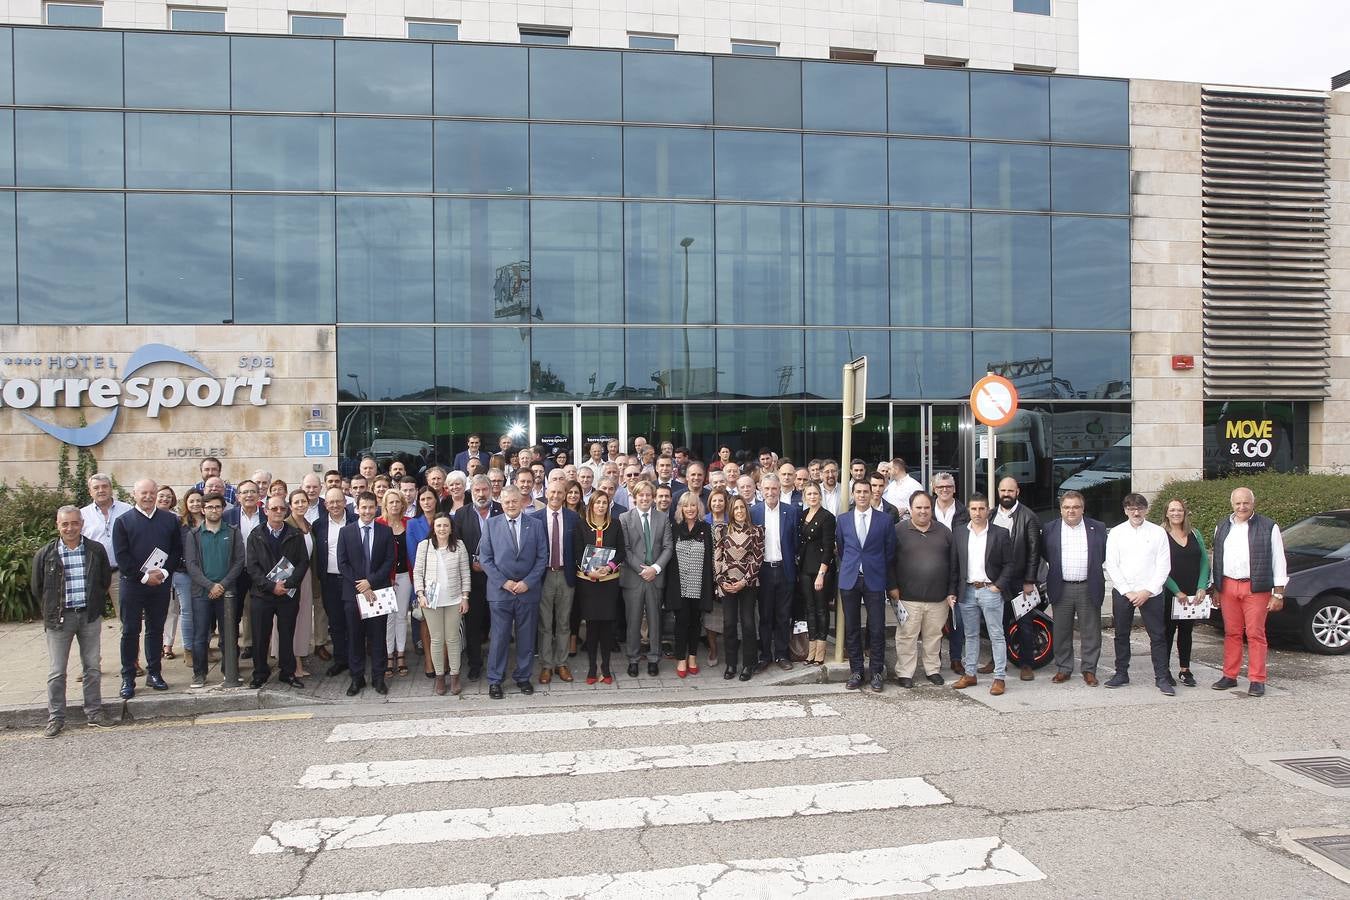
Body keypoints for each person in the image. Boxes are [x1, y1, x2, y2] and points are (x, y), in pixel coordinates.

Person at [32, 505, 114, 736]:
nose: (70, 528)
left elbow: (104, 581)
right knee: (57, 670)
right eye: (65, 524)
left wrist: (95, 606)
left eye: (74, 523)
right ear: (57, 525)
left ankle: (94, 713)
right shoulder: (46, 554)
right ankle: (56, 717)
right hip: (59, 619)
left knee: (92, 668)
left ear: (82, 524)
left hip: (88, 616)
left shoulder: (95, 550)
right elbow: (38, 588)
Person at [1211, 487, 1287, 697]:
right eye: (1238, 503)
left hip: (1256, 587)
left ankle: (1257, 679)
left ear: (1253, 503)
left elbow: (1278, 560)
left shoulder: (1268, 526)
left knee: (1255, 634)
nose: (1242, 507)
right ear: (1232, 504)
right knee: (1232, 633)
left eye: (1246, 503)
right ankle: (1230, 675)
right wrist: (1215, 587)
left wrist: (1278, 593)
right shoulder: (1222, 526)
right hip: (1227, 586)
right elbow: (1217, 558)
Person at [112, 479, 184, 699]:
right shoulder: (123, 522)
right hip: (132, 585)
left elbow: (176, 550)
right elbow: (122, 556)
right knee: (130, 631)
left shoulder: (171, 520)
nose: (148, 496)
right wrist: (143, 577)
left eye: (152, 492)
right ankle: (128, 677)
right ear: (134, 494)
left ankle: (154, 673)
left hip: (160, 584)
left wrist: (163, 573)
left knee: (155, 630)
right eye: (143, 493)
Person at [478, 485, 549, 699]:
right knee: (499, 638)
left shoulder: (535, 525)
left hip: (528, 591)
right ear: (501, 502)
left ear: (522, 502)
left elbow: (542, 557)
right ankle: (495, 680)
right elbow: (485, 559)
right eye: (507, 502)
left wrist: (528, 582)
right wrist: (504, 582)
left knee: (526, 637)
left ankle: (523, 676)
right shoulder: (491, 525)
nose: (511, 505)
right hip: (501, 592)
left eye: (515, 501)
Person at [1103, 493, 1173, 695]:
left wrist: (1147, 591)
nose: (1136, 512)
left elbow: (1163, 565)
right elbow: (1112, 565)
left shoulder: (1158, 532)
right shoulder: (1115, 533)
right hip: (1124, 592)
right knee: (1121, 634)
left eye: (1140, 508)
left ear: (1146, 510)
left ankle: (1162, 677)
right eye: (1132, 508)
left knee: (1158, 636)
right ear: (1125, 510)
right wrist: (1128, 591)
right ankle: (1121, 673)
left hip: (1151, 593)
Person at [835, 480, 897, 693]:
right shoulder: (843, 520)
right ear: (853, 494)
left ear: (872, 494)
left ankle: (877, 671)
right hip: (850, 578)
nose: (862, 495)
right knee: (852, 627)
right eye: (858, 492)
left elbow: (890, 552)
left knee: (877, 627)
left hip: (875, 578)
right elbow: (842, 549)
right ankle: (857, 671)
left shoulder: (885, 520)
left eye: (866, 492)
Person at [891, 491, 957, 688]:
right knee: (906, 637)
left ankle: (932, 670)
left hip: (938, 598)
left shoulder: (944, 532)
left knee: (933, 637)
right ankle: (905, 673)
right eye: (918, 508)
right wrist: (892, 586)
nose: (922, 511)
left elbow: (954, 564)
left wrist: (951, 590)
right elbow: (888, 562)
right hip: (908, 598)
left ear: (932, 508)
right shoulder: (897, 531)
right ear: (910, 509)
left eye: (926, 507)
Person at [951, 495, 1016, 696]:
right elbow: (954, 565)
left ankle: (999, 677)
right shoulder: (960, 533)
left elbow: (1009, 564)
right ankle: (970, 673)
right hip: (967, 591)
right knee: (970, 635)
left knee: (996, 634)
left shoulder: (1000, 533)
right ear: (968, 511)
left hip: (990, 590)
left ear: (988, 510)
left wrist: (998, 585)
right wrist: (952, 592)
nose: (977, 513)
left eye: (981, 509)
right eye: (974, 509)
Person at [1041, 490, 1107, 686]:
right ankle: (1064, 668)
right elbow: (1046, 555)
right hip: (1062, 587)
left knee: (1091, 631)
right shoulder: (1050, 529)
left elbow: (1102, 554)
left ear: (1083, 509)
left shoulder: (1099, 528)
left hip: (1089, 586)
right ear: (1061, 509)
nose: (1071, 511)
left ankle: (1089, 670)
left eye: (1076, 507)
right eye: (1067, 507)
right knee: (1061, 631)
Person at [245, 495, 310, 689]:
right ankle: (260, 673)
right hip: (262, 595)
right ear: (265, 511)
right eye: (274, 509)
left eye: (282, 509)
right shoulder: (255, 535)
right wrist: (271, 586)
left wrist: (288, 584)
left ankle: (287, 672)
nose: (278, 512)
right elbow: (252, 567)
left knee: (287, 634)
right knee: (260, 635)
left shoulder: (295, 534)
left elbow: (302, 562)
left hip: (287, 594)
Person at [183, 492, 244, 688]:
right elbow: (191, 565)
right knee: (201, 635)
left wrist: (222, 585)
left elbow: (239, 561)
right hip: (202, 592)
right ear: (203, 509)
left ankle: (230, 671)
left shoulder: (233, 532)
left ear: (223, 509)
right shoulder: (194, 534)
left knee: (229, 634)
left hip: (227, 592)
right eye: (209, 507)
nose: (213, 510)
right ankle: (199, 674)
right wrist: (210, 586)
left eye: (217, 507)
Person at [336, 492, 395, 696]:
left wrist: (371, 582)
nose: (368, 511)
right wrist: (361, 585)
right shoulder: (346, 532)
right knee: (354, 637)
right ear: (356, 508)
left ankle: (379, 677)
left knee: (378, 637)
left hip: (378, 592)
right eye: (364, 507)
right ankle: (357, 678)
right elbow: (342, 563)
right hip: (352, 594)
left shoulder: (385, 532)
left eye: (371, 507)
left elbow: (389, 562)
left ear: (376, 508)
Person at [413, 512, 471, 695]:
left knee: (453, 639)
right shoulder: (424, 546)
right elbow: (417, 573)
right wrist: (420, 594)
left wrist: (465, 597)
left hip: (454, 599)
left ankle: (454, 676)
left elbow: (465, 573)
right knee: (437, 639)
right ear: (433, 528)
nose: (442, 529)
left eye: (445, 525)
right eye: (438, 526)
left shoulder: (459, 546)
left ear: (451, 528)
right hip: (431, 601)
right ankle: (439, 677)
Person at [619, 481, 673, 678]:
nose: (644, 498)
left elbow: (668, 547)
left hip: (655, 577)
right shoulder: (624, 518)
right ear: (634, 497)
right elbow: (625, 549)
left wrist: (656, 568)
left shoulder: (662, 518)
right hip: (634, 577)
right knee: (633, 620)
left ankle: (653, 658)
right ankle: (633, 659)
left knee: (655, 619)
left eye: (648, 495)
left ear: (653, 497)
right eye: (641, 495)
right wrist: (642, 570)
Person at [992, 477, 1043, 681]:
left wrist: (1030, 580)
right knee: (997, 623)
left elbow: (1034, 551)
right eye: (1003, 490)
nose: (1006, 494)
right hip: (998, 581)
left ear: (1017, 492)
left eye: (1010, 491)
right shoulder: (991, 514)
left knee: (1025, 623)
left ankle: (1026, 663)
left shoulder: (1028, 516)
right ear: (998, 491)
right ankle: (997, 661)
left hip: (1021, 579)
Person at [453, 475, 501, 681]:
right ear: (471, 492)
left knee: (498, 624)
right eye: (477, 491)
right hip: (471, 578)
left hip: (498, 577)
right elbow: (456, 546)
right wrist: (469, 565)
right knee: (473, 624)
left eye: (484, 490)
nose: (481, 494)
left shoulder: (502, 509)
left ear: (491, 490)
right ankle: (474, 664)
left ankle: (497, 662)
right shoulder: (461, 514)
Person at [573, 490, 625, 684]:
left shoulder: (616, 525)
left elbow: (621, 552)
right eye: (597, 503)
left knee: (607, 627)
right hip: (588, 583)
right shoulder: (581, 526)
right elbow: (578, 553)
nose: (601, 506)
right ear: (591, 505)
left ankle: (606, 667)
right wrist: (589, 572)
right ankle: (592, 667)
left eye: (604, 502)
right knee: (592, 627)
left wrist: (609, 567)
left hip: (609, 583)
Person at [533, 480, 580, 684]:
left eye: (560, 492)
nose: (555, 496)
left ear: (564, 495)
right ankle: (546, 665)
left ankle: (561, 663)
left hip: (566, 575)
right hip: (544, 576)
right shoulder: (535, 519)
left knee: (563, 622)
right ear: (546, 493)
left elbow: (578, 547)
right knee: (545, 624)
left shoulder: (573, 517)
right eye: (552, 492)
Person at [751, 473, 799, 672]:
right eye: (767, 488)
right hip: (763, 571)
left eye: (774, 488)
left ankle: (781, 654)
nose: (771, 492)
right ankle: (765, 655)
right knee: (765, 615)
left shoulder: (791, 511)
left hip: (784, 569)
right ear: (761, 490)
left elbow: (795, 541)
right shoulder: (753, 512)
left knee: (783, 615)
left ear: (780, 490)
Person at [714, 494, 763, 682]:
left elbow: (757, 559)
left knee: (749, 624)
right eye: (736, 508)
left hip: (748, 584)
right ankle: (731, 664)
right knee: (729, 624)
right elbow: (718, 557)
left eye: (742, 508)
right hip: (727, 584)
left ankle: (749, 664)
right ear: (731, 511)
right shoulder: (722, 530)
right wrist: (721, 580)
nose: (740, 511)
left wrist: (744, 581)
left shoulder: (756, 531)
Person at [1160, 498, 1209, 689]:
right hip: (1169, 593)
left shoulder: (1195, 534)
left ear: (1184, 512)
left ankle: (1185, 669)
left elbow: (1204, 561)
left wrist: (1202, 586)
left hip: (1192, 594)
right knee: (1167, 632)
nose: (1176, 513)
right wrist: (1176, 590)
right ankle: (1164, 670)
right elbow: (1159, 567)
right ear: (1166, 512)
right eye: (1172, 510)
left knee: (1186, 632)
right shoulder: (1161, 535)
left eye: (1179, 510)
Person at [667, 492, 715, 677]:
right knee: (681, 622)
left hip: (698, 584)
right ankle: (681, 658)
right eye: (686, 506)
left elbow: (710, 557)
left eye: (693, 505)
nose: (689, 509)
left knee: (695, 622)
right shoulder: (675, 528)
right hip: (679, 584)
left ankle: (693, 656)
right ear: (680, 508)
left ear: (699, 508)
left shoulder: (706, 528)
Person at [313, 487, 356, 680]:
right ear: (325, 505)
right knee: (336, 623)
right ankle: (340, 660)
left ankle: (356, 659)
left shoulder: (356, 521)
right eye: (331, 502)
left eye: (338, 501)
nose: (335, 505)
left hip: (353, 581)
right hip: (330, 580)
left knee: (353, 622)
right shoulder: (319, 525)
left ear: (345, 502)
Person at [81, 473, 132, 620]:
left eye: (104, 486)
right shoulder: (82, 514)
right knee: (91, 617)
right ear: (90, 492)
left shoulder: (127, 510)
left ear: (111, 489)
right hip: (93, 573)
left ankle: (127, 643)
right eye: (96, 488)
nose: (101, 490)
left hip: (120, 572)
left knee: (126, 616)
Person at [795, 482, 835, 666]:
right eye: (809, 494)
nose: (812, 497)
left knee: (821, 609)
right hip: (804, 568)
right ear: (804, 497)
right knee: (809, 609)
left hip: (820, 570)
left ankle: (820, 652)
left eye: (815, 493)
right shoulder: (803, 515)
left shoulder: (827, 517)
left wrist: (821, 574)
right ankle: (810, 651)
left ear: (820, 496)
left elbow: (828, 548)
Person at [224, 479, 262, 660]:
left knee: (257, 612)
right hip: (236, 572)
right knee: (234, 613)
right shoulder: (228, 516)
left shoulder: (265, 515)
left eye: (253, 492)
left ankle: (255, 647)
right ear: (238, 496)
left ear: (259, 495)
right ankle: (231, 652)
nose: (249, 495)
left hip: (260, 572)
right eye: (245, 492)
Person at [378, 490, 414, 679]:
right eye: (390, 502)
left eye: (397, 502)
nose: (394, 505)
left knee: (401, 616)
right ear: (385, 504)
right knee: (388, 617)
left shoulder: (409, 523)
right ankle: (388, 655)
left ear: (402, 504)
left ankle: (400, 653)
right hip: (386, 578)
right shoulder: (379, 524)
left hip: (405, 576)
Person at [284, 489, 317, 679]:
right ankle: (293, 664)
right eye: (296, 502)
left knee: (303, 620)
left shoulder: (308, 525)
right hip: (292, 579)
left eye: (303, 501)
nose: (300, 505)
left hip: (306, 578)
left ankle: (298, 659)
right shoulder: (287, 526)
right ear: (290, 505)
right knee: (292, 621)